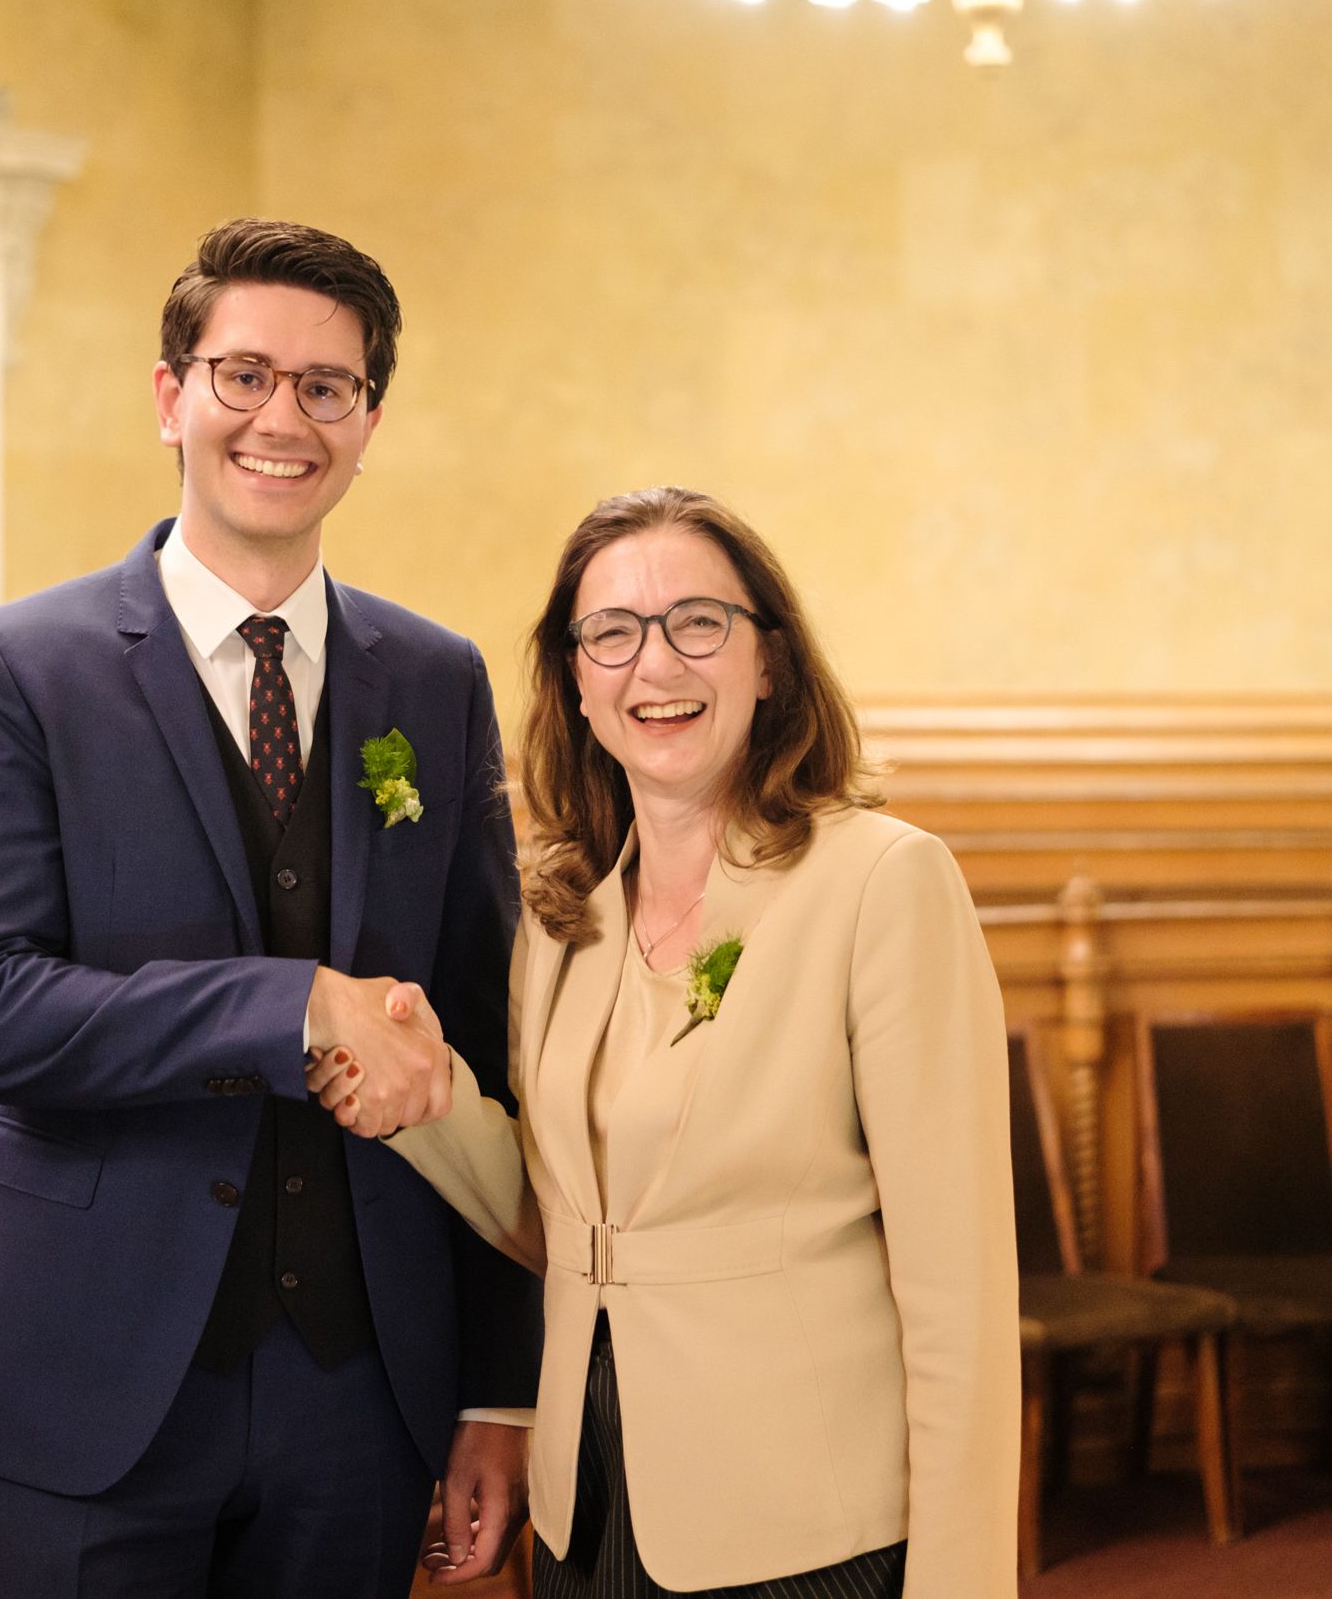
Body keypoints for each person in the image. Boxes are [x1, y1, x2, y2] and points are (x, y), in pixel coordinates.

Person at [0, 219, 540, 1597]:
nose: (282, 417)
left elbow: (490, 1044)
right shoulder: (22, 667)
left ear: (369, 420)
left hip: (361, 1384)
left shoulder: (436, 680)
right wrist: (288, 1003)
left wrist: (501, 1387)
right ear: (170, 396)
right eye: (243, 372)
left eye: (329, 386)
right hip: (85, 1366)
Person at [313, 486, 1019, 1598]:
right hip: (589, 1512)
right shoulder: (565, 914)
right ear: (577, 682)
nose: (656, 666)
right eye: (613, 633)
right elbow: (568, 1222)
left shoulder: (880, 881)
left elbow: (958, 1294)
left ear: (769, 660)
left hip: (802, 1527)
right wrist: (423, 1096)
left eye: (699, 622)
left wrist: (962, 1585)